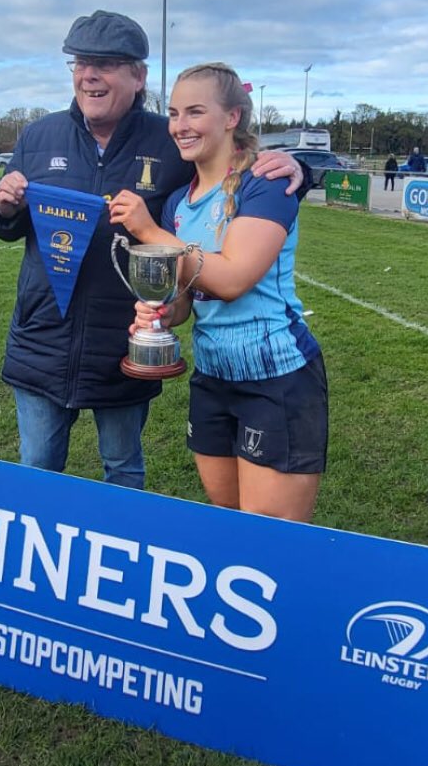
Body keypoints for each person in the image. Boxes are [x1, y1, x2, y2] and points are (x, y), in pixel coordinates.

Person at [0, 11, 308, 489]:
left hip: (127, 343)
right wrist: (3, 207)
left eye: (106, 63)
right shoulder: (38, 135)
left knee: (124, 471)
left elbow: (229, 170)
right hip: (41, 342)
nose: (89, 74)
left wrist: (295, 166)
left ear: (138, 76)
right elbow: (5, 226)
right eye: (79, 62)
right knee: (37, 473)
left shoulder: (169, 137)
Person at [108, 62, 327, 522]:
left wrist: (148, 231)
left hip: (276, 378)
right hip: (212, 378)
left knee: (269, 538)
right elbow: (191, 295)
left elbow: (231, 280)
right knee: (230, 521)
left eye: (194, 112)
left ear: (231, 118)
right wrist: (164, 316)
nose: (180, 126)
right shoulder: (176, 201)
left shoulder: (265, 183)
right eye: (172, 114)